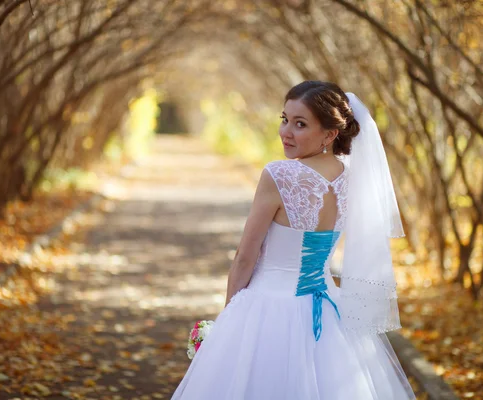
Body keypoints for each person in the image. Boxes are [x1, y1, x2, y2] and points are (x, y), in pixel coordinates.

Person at [171, 81, 416, 399]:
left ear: (330, 134)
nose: (287, 132)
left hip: (269, 308)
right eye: (284, 120)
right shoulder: (354, 176)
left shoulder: (279, 175)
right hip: (330, 314)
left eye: (300, 124)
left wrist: (228, 320)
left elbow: (246, 256)